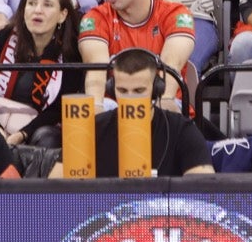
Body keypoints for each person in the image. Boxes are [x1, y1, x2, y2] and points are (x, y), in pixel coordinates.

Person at [47, 48, 216, 177]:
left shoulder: (181, 129)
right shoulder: (92, 128)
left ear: (157, 89)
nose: (130, 99)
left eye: (139, 90)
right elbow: (56, 186)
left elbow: (203, 184)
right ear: (112, 89)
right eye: (122, 90)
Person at [76, 0, 195, 109]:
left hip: (162, 103)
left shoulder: (175, 14)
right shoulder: (95, 18)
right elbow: (96, 71)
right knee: (100, 108)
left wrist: (160, 105)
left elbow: (171, 67)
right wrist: (95, 107)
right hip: (114, 106)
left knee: (167, 106)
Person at [0, 0, 82, 147]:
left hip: (38, 129)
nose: (37, 10)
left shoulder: (71, 52)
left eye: (47, 5)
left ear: (62, 15)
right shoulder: (3, 38)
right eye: (31, 3)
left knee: (48, 138)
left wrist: (22, 134)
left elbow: (58, 109)